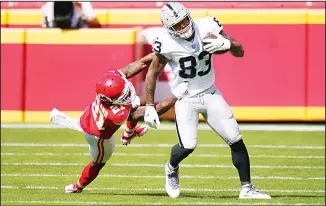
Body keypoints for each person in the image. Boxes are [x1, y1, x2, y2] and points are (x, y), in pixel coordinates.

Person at [143, 2, 271, 199]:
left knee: (235, 139)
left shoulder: (207, 26)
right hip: (185, 98)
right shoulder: (165, 42)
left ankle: (246, 188)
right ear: (169, 28)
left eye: (184, 20)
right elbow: (152, 72)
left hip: (210, 92)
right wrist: (150, 105)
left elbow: (240, 51)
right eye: (176, 25)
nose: (183, 27)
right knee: (187, 146)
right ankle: (171, 167)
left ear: (189, 15)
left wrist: (228, 45)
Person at [49, 53, 177, 193]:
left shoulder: (109, 81)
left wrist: (160, 54)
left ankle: (128, 134)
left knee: (138, 103)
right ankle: (78, 186)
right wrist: (177, 94)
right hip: (98, 137)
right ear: (112, 101)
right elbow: (153, 110)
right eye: (123, 93)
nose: (127, 92)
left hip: (88, 117)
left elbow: (136, 65)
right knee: (98, 163)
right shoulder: (116, 114)